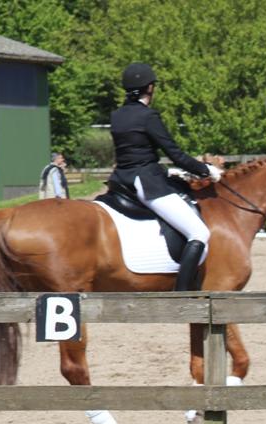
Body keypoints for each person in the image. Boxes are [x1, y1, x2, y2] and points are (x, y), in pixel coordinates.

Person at [108, 63, 222, 291]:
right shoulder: (148, 116)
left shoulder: (117, 115)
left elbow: (134, 154)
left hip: (121, 179)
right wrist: (206, 170)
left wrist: (168, 172)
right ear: (150, 87)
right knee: (199, 232)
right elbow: (176, 153)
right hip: (145, 182)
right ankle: (181, 295)